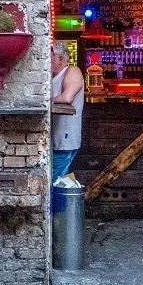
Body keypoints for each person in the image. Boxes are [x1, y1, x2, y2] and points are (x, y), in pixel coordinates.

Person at [51, 41, 85, 184]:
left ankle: (55, 206)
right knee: (59, 180)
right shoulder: (53, 77)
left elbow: (67, 97)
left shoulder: (72, 71)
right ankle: (65, 205)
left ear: (60, 59)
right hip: (57, 139)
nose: (46, 60)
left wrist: (46, 100)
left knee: (53, 181)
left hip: (64, 140)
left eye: (50, 56)